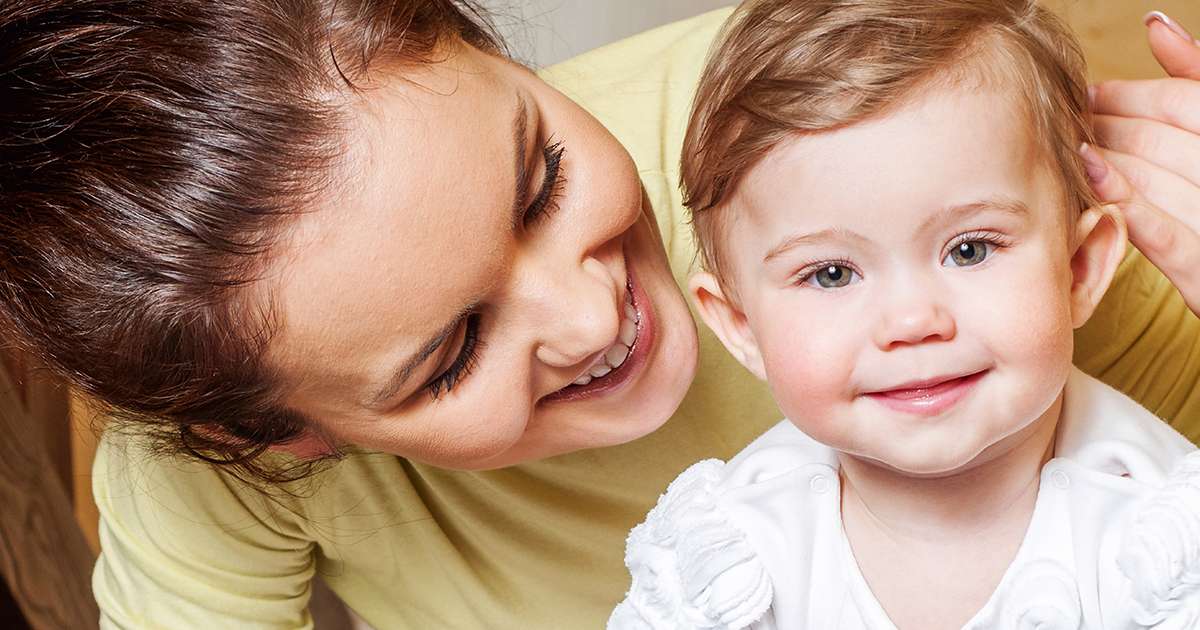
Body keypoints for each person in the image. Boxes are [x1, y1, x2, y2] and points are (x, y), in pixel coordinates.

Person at [0, 0, 1199, 627]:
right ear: (286, 437)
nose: (591, 314)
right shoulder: (208, 480)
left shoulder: (852, 147)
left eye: (540, 180)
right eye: (454, 351)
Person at [609, 0, 1200, 628]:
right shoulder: (723, 555)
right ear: (742, 328)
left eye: (969, 250)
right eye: (831, 274)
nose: (914, 321)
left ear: (1080, 269)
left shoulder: (1163, 537)